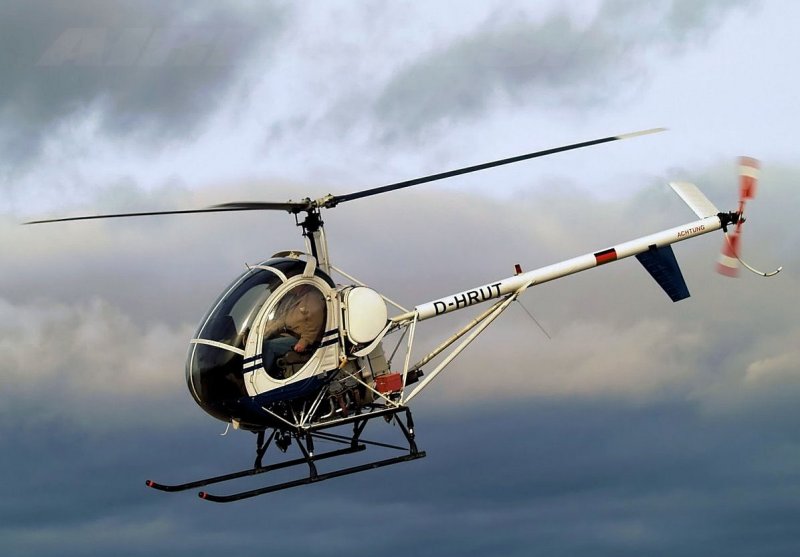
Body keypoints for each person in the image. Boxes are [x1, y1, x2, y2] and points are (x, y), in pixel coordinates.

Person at [261, 284, 326, 378]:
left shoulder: (312, 297)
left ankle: (263, 377)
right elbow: (281, 321)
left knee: (268, 346)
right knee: (263, 343)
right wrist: (262, 332)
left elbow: (315, 321)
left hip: (300, 340)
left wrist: (305, 341)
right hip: (290, 335)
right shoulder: (294, 298)